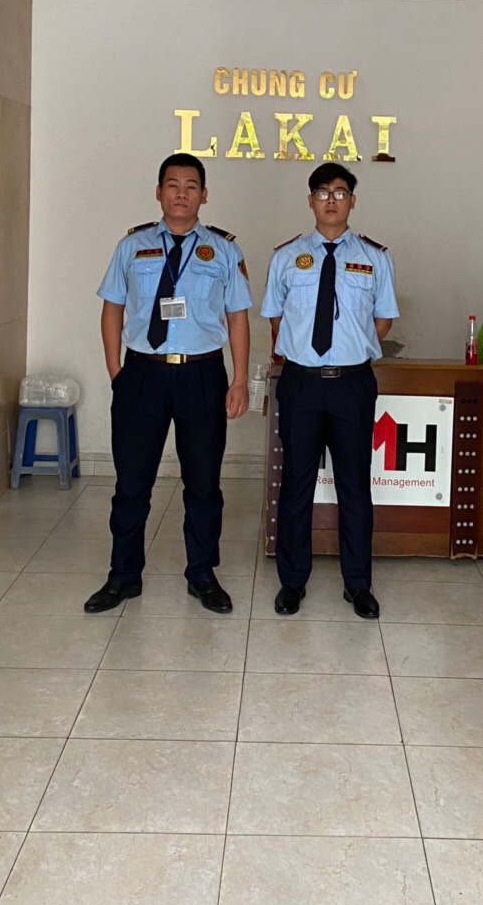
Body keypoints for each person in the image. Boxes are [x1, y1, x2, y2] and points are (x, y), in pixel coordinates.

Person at [84, 153, 251, 615]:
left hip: (202, 373)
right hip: (143, 373)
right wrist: (116, 372)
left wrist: (239, 380)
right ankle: (123, 575)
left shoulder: (223, 250)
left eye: (191, 185)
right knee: (131, 482)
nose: (181, 193)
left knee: (204, 483)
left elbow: (238, 319)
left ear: (204, 195)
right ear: (159, 192)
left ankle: (202, 573)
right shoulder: (132, 246)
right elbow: (112, 308)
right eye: (173, 184)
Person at [260, 161, 399, 619]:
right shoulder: (286, 257)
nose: (331, 200)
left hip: (352, 385)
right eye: (322, 192)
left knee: (354, 486)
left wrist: (350, 347)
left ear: (353, 200)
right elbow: (276, 319)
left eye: (340, 192)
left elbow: (382, 320)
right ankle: (292, 581)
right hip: (301, 382)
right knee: (296, 484)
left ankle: (357, 584)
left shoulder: (375, 258)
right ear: (310, 201)